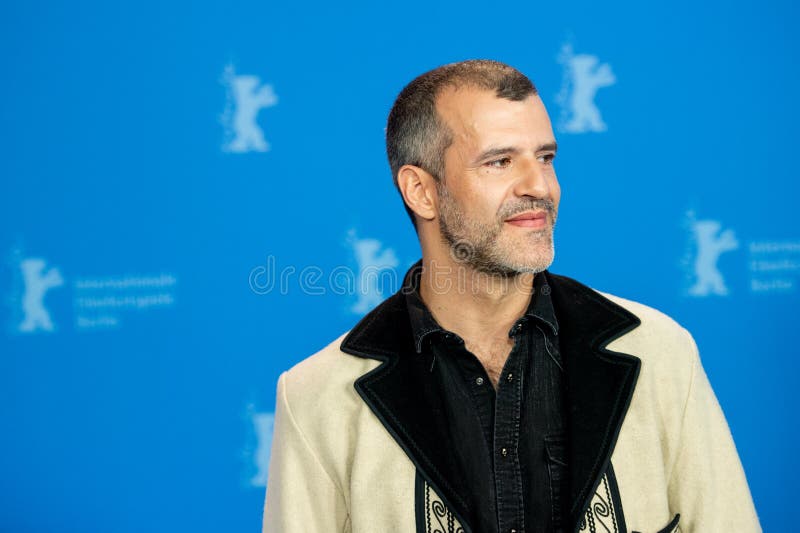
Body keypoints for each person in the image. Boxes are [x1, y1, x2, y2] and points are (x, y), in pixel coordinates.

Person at [262, 60, 760, 533]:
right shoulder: (319, 397)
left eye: (546, 157)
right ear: (421, 191)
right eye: (500, 161)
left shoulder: (660, 353)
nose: (539, 186)